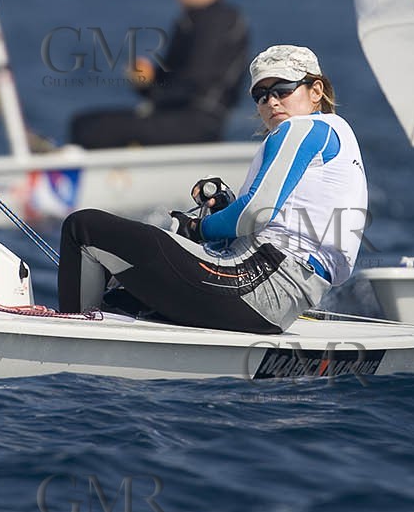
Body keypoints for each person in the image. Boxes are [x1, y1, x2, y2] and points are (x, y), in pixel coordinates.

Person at [57, 45, 366, 332]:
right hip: (280, 296)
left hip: (256, 285)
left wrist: (198, 227)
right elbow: (276, 219)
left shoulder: (302, 128)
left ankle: (71, 335)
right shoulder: (337, 133)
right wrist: (225, 206)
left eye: (283, 89)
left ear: (316, 91)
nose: (271, 101)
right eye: (261, 95)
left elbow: (253, 215)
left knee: (83, 228)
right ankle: (106, 316)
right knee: (123, 299)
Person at [66, 0, 249, 148]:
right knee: (86, 123)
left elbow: (195, 83)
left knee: (91, 128)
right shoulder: (192, 22)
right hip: (180, 117)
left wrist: (152, 88)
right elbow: (176, 81)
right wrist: (148, 81)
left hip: (196, 122)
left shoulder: (219, 20)